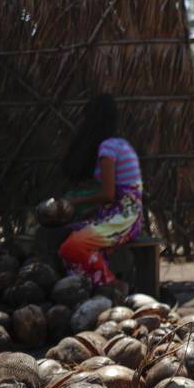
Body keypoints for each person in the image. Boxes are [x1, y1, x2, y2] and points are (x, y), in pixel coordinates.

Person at [58, 94, 143, 286]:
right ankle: (97, 283)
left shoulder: (108, 148)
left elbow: (108, 194)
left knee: (71, 247)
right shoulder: (119, 144)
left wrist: (73, 202)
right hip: (124, 213)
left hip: (123, 218)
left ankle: (110, 284)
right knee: (70, 233)